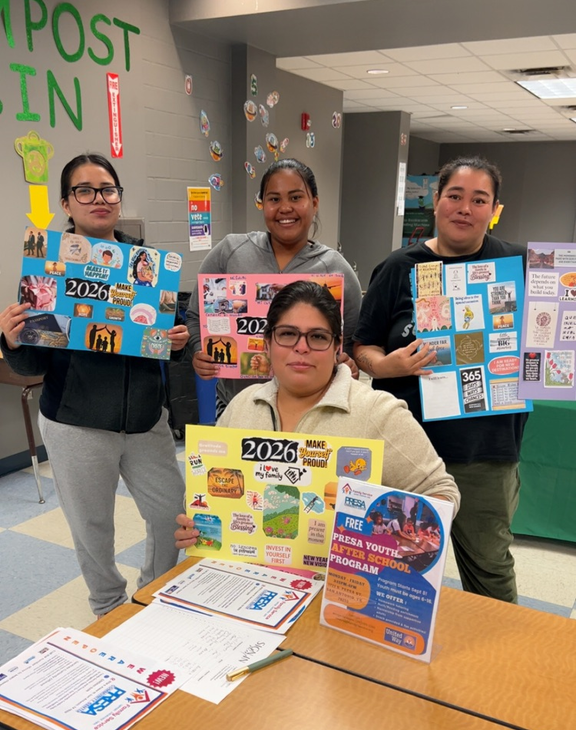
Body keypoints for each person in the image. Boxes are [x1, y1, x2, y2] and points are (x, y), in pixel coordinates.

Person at [0, 153, 189, 619]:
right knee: (92, 528)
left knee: (171, 516)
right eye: (84, 190)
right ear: (67, 202)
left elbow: (165, 340)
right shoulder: (48, 268)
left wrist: (178, 341)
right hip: (76, 423)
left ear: (119, 198)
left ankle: (153, 594)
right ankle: (108, 608)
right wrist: (11, 340)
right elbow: (31, 360)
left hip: (146, 420)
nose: (98, 199)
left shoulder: (148, 267)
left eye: (107, 189)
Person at [353, 155, 527, 603]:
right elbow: (363, 346)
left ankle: (493, 670)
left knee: (489, 568)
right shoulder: (398, 268)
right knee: (396, 570)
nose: (464, 208)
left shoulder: (520, 265)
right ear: (436, 201)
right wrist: (385, 365)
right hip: (405, 449)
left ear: (494, 209)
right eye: (455, 196)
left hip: (484, 452)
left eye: (478, 199)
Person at [175, 281, 459, 548]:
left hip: (339, 589)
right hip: (247, 579)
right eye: (287, 334)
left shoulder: (379, 412)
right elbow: (206, 493)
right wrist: (195, 526)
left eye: (318, 337)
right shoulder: (242, 406)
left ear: (337, 347)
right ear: (266, 343)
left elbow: (441, 491)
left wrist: (386, 543)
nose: (302, 347)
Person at [186, 158, 362, 415]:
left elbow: (352, 341)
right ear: (262, 204)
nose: (285, 208)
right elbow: (195, 315)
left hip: (311, 412)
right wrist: (198, 350)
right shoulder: (230, 252)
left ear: (314, 203)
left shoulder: (336, 270)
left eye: (295, 197)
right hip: (236, 406)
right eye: (274, 199)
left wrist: (348, 364)